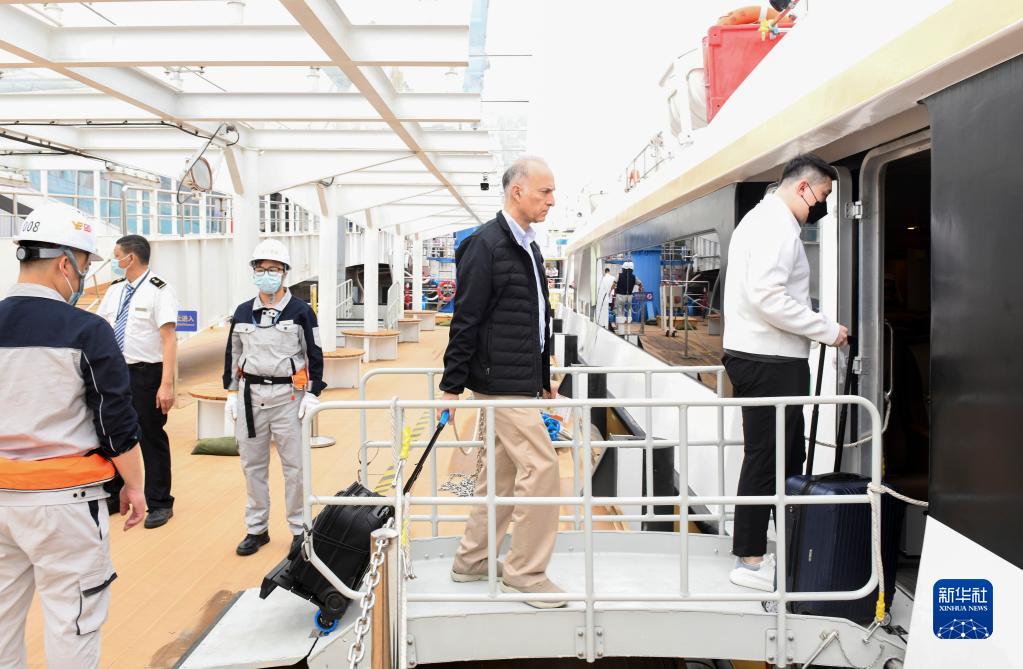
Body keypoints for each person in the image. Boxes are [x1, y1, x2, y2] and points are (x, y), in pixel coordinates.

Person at [0, 201, 146, 669]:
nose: (83, 276)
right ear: (65, 264)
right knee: (73, 622)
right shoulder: (87, 330)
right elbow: (115, 422)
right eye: (83, 265)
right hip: (65, 505)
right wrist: (135, 485)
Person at [440, 156, 565, 609]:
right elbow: (466, 318)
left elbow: (536, 317)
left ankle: (472, 560)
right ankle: (525, 572)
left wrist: (543, 375)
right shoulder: (485, 244)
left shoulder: (528, 246)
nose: (552, 200)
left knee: (500, 475)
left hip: (519, 378)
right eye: (545, 192)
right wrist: (451, 387)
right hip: (500, 383)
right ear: (517, 192)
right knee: (543, 468)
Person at [722, 153, 849, 591]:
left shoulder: (762, 221)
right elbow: (769, 298)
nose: (821, 205)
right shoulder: (775, 227)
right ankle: (750, 560)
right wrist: (827, 330)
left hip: (765, 358)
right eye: (822, 195)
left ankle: (782, 548)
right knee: (768, 458)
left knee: (785, 457)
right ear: (802, 187)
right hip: (770, 362)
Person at [223, 239, 325, 556]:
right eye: (261, 268)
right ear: (254, 271)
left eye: (274, 269)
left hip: (288, 398)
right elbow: (232, 353)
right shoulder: (242, 312)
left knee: (294, 468)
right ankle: (257, 528)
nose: (266, 274)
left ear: (284, 273)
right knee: (252, 466)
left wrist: (313, 392)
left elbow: (314, 352)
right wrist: (231, 393)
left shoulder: (301, 312)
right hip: (250, 398)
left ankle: (298, 529)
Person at [97, 235, 179, 529]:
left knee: (150, 436)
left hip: (146, 374)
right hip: (114, 373)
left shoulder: (160, 290)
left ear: (129, 258)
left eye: (116, 255)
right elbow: (102, 327)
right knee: (112, 433)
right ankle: (114, 493)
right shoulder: (115, 290)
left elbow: (169, 339)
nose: (114, 260)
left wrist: (166, 384)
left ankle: (160, 502)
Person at [615, 260, 637, 325]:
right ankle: (629, 321)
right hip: (629, 296)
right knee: (629, 309)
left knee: (620, 309)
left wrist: (610, 291)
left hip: (620, 295)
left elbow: (614, 283)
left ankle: (620, 323)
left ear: (623, 269)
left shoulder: (619, 275)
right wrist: (641, 288)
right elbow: (640, 284)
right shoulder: (634, 277)